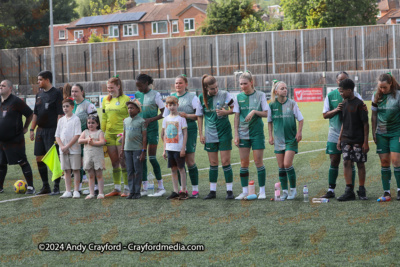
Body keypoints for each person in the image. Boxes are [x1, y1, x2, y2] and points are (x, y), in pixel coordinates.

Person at [321, 71, 363, 198]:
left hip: (351, 134)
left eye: (345, 79)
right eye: (340, 80)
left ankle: (350, 189)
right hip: (334, 132)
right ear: (336, 81)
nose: (342, 82)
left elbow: (363, 115)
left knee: (350, 162)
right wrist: (337, 110)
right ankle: (331, 190)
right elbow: (325, 115)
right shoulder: (331, 95)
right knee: (334, 160)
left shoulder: (356, 96)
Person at [197, 74, 235, 200]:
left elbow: (234, 109)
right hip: (210, 134)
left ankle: (229, 191)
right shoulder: (201, 97)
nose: (215, 90)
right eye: (212, 88)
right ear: (206, 87)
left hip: (224, 132)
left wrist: (226, 112)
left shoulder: (225, 94)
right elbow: (199, 116)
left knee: (225, 162)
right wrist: (201, 134)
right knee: (213, 163)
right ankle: (212, 191)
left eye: (216, 87)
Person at [162, 75, 200, 198]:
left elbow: (198, 115)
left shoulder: (192, 97)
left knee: (189, 161)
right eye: (176, 83)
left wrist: (187, 116)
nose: (178, 85)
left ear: (186, 84)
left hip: (188, 130)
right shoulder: (171, 98)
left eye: (180, 83)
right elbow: (166, 119)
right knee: (177, 164)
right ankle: (181, 190)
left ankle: (195, 189)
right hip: (174, 135)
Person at [233, 72, 269, 200]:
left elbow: (266, 113)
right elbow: (236, 116)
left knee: (258, 162)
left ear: (251, 82)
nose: (243, 86)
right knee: (244, 163)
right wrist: (236, 134)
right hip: (243, 133)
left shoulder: (260, 95)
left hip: (257, 133)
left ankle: (262, 191)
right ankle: (244, 191)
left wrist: (254, 112)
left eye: (245, 84)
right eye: (241, 84)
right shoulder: (238, 97)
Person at [268, 80, 303, 200]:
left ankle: (293, 191)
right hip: (278, 140)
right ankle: (284, 192)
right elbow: (269, 122)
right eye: (282, 88)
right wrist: (270, 136)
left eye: (286, 88)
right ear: (276, 91)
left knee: (287, 164)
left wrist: (299, 132)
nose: (285, 90)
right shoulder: (272, 105)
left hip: (290, 139)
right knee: (281, 167)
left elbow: (301, 119)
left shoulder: (292, 103)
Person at [30, 70, 64, 195]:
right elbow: (35, 113)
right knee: (39, 157)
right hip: (40, 131)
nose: (38, 82)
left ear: (47, 80)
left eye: (40, 79)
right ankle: (45, 186)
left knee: (54, 158)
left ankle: (56, 186)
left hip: (52, 131)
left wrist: (58, 132)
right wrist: (32, 129)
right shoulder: (38, 94)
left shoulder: (57, 93)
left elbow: (60, 113)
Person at [336, 79, 369, 201]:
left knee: (360, 164)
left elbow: (365, 124)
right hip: (346, 139)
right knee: (346, 163)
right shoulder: (343, 104)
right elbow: (344, 123)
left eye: (342, 91)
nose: (340, 93)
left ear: (349, 90)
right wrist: (340, 138)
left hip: (358, 140)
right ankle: (349, 190)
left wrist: (365, 142)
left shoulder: (360, 104)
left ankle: (361, 190)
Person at [0, 80, 35, 194]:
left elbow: (30, 114)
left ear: (10, 88)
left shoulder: (16, 101)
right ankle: (0, 187)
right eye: (0, 85)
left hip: (15, 139)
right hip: (1, 140)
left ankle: (30, 187)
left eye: (3, 85)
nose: (1, 87)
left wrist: (26, 128)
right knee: (1, 164)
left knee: (22, 162)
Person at [135, 74, 166, 197]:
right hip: (140, 131)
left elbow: (164, 113)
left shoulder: (156, 95)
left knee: (152, 158)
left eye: (140, 86)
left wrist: (150, 120)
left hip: (152, 130)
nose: (138, 88)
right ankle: (145, 187)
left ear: (147, 83)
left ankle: (161, 186)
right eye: (137, 86)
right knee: (142, 159)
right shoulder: (137, 95)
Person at [371, 73, 400, 201]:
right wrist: (373, 132)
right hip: (381, 133)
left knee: (396, 161)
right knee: (384, 162)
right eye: (380, 87)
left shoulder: (398, 95)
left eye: (385, 87)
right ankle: (386, 192)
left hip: (396, 132)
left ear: (391, 84)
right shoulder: (376, 96)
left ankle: (399, 190)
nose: (382, 90)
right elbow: (373, 116)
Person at [101, 77, 131, 197]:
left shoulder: (126, 99)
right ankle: (116, 188)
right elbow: (104, 118)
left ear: (118, 86)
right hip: (109, 134)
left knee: (123, 161)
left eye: (111, 87)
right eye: (108, 87)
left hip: (121, 134)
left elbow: (130, 117)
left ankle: (127, 188)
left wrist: (126, 132)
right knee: (114, 163)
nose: (109, 90)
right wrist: (101, 133)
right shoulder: (105, 100)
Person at [71, 84, 97, 193]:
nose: (74, 93)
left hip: (87, 138)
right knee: (78, 164)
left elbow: (96, 121)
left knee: (90, 162)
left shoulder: (88, 105)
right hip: (75, 139)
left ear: (82, 92)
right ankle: (79, 188)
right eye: (72, 91)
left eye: (76, 91)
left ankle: (96, 187)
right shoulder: (71, 105)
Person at [120, 100, 147, 199]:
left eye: (132, 108)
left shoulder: (142, 121)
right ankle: (131, 191)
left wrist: (143, 151)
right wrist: (122, 150)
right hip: (127, 149)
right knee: (129, 170)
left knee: (137, 170)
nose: (130, 110)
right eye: (128, 108)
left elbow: (144, 137)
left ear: (138, 110)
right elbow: (124, 135)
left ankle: (137, 191)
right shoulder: (126, 121)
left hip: (137, 149)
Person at [162, 96, 188, 200]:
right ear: (167, 106)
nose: (172, 107)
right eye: (170, 105)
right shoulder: (166, 119)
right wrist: (164, 150)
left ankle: (183, 191)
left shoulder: (181, 118)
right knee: (173, 169)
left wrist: (183, 148)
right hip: (169, 148)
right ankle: (175, 191)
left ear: (177, 105)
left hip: (178, 148)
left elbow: (185, 134)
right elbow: (164, 135)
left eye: (173, 105)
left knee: (181, 169)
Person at [55, 99, 82, 198]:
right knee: (66, 170)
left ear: (72, 107)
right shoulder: (61, 120)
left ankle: (76, 190)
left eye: (67, 106)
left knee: (75, 169)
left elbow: (77, 135)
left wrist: (67, 146)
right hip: (63, 150)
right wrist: (62, 147)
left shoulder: (76, 119)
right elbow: (57, 135)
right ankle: (68, 191)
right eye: (63, 106)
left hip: (74, 149)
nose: (65, 108)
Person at [78, 115, 106, 199]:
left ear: (97, 124)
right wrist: (86, 140)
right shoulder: (85, 132)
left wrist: (93, 143)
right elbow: (79, 140)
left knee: (99, 175)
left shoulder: (99, 132)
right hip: (88, 157)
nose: (90, 125)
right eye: (89, 123)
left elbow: (102, 142)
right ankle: (91, 193)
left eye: (93, 123)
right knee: (90, 176)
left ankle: (100, 193)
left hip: (97, 157)